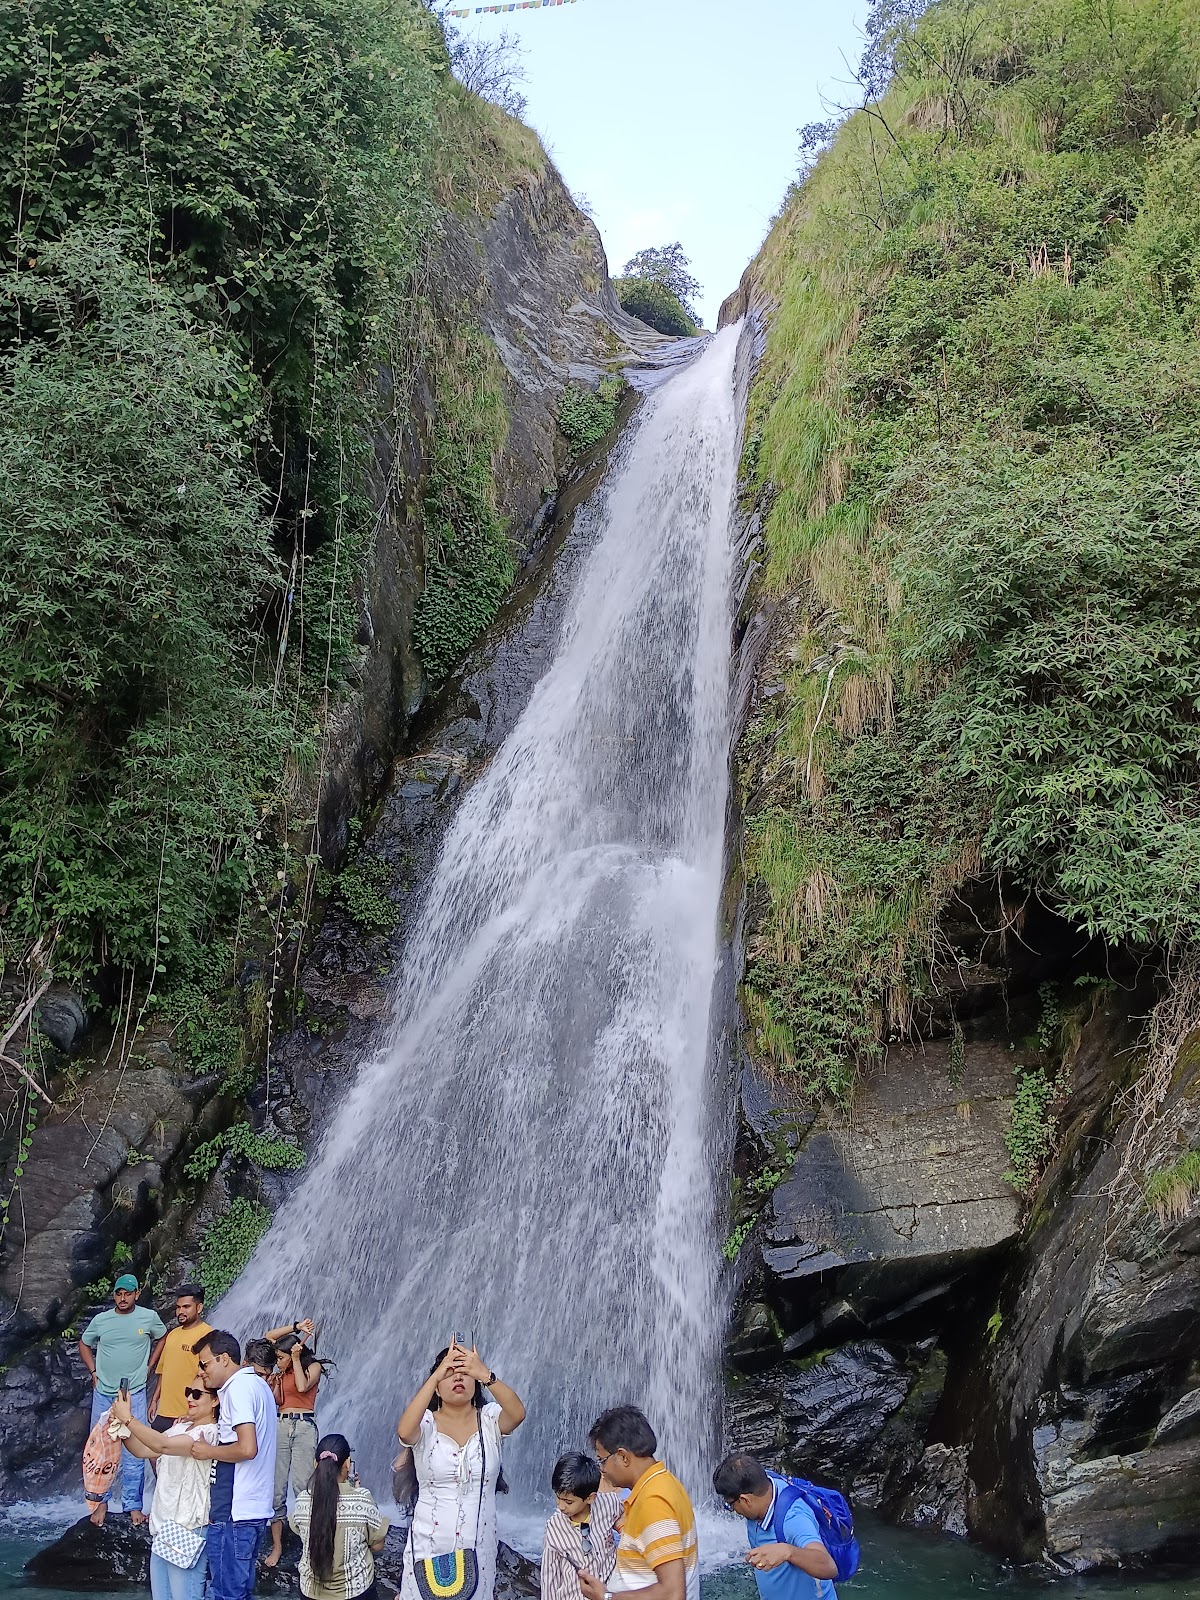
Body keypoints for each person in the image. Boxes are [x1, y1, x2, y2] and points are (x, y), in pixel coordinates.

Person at [395, 1339, 526, 1600]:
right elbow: (404, 1431)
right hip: (428, 1545)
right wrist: (434, 1377)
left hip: (478, 1548)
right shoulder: (426, 1425)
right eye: (450, 1373)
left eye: (465, 1373)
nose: (459, 1378)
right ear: (438, 1388)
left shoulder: (489, 1419)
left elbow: (517, 1413)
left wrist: (485, 1374)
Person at [111, 1376, 221, 1600]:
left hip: (188, 1527)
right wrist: (121, 1427)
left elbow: (162, 1445)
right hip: (164, 1528)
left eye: (197, 1394)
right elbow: (143, 1449)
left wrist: (129, 1418)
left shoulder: (209, 1434)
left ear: (215, 1401)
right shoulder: (179, 1428)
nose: (190, 1397)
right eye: (188, 1391)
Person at [191, 1329, 279, 1600]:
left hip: (234, 1512)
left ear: (224, 1359)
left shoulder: (237, 1389)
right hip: (251, 1510)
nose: (202, 1372)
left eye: (205, 1364)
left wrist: (208, 1451)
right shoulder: (258, 1384)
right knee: (239, 1591)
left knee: (226, 1593)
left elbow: (246, 1448)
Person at [78, 1273, 168, 1524]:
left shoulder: (148, 1318)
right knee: (100, 1449)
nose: (123, 1298)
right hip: (104, 1392)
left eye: (128, 1293)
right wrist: (93, 1372)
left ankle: (133, 1506)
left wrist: (150, 1365)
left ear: (137, 1294)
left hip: (134, 1391)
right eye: (119, 1293)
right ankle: (100, 1504)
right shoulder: (101, 1320)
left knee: (134, 1451)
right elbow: (84, 1344)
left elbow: (163, 1337)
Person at [580, 1408, 698, 1600]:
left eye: (602, 1460)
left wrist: (606, 1596)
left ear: (624, 1457)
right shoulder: (665, 1482)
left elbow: (673, 1594)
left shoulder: (653, 1501)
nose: (601, 1469)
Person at [712, 1456, 837, 1600]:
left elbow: (828, 1566)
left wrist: (788, 1551)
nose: (733, 1510)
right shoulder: (762, 1486)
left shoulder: (793, 1518)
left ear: (745, 1500)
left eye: (731, 1505)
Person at [290, 1432, 388, 1600]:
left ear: (315, 1464)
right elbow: (378, 1546)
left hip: (310, 1593)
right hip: (355, 1593)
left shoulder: (302, 1500)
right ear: (347, 1464)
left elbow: (302, 1531)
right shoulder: (362, 1499)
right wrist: (356, 1493)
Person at [261, 1318, 325, 1571]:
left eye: (280, 1357)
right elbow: (268, 1336)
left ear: (293, 1354)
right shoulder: (282, 1372)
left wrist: (296, 1360)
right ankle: (277, 1545)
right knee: (276, 1489)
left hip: (304, 1426)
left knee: (302, 1488)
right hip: (281, 1424)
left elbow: (302, 1386)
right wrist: (296, 1327)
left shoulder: (314, 1366)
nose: (277, 1362)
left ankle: (309, 1547)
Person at [542, 1452, 621, 1600]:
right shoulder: (554, 1526)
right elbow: (550, 1574)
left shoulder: (609, 1504)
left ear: (590, 1498)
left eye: (568, 1502)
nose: (561, 1506)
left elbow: (627, 1518)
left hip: (608, 1591)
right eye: (558, 1498)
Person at [149, 1285, 213, 1433]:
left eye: (186, 1307)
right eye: (178, 1307)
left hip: (188, 1414)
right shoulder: (172, 1335)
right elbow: (163, 1371)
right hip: (164, 1411)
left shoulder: (208, 1335)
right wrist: (154, 1400)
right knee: (154, 1455)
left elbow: (210, 1379)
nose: (180, 1312)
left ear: (199, 1307)